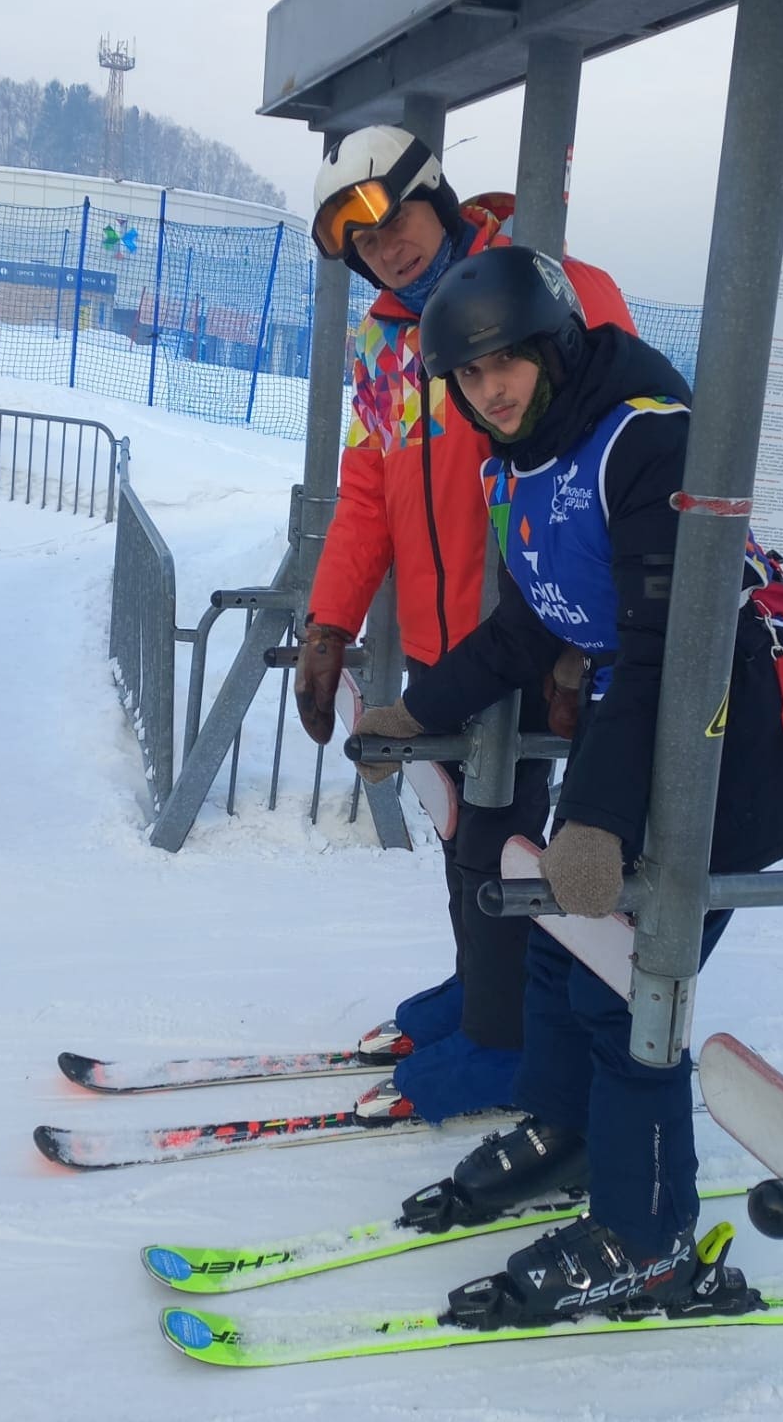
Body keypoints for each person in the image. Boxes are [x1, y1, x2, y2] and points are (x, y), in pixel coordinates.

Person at [352, 245, 783, 1327]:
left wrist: (599, 820)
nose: (491, 390)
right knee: (563, 953)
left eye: (507, 363)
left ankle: (648, 1237)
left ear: (555, 347)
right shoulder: (522, 459)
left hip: (726, 755)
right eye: (470, 375)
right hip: (637, 741)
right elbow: (534, 623)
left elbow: (666, 651)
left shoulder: (645, 440)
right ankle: (573, 1137)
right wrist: (423, 709)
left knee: (628, 988)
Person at [298, 126, 636, 1125]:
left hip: (539, 632)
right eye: (363, 244)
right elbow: (369, 489)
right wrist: (329, 621)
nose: (387, 249)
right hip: (446, 641)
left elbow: (626, 452)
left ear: (437, 195)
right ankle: (483, 987)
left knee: (501, 833)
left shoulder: (553, 286)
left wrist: (583, 636)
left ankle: (505, 1037)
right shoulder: (384, 342)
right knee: (462, 826)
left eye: (395, 219)